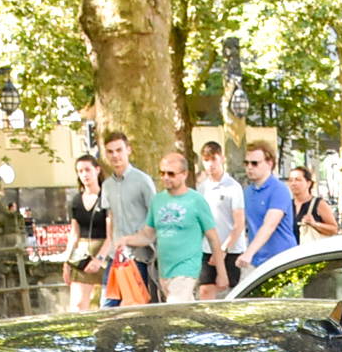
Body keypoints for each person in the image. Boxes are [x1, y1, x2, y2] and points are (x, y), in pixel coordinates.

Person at [145, 149, 217, 303]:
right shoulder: (157, 200)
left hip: (186, 270)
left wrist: (221, 272)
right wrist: (124, 240)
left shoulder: (196, 200)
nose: (165, 177)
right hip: (164, 271)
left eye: (171, 174)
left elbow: (212, 236)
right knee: (184, 315)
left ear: (185, 174)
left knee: (174, 310)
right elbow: (148, 234)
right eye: (162, 173)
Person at [96, 129, 159, 302]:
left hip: (138, 256)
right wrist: (110, 244)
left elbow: (155, 216)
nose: (115, 155)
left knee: (138, 308)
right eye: (110, 151)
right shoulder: (107, 185)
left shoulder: (143, 181)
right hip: (115, 257)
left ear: (128, 150)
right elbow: (110, 217)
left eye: (119, 150)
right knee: (108, 308)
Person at [195, 138, 245, 299]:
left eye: (214, 159)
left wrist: (223, 249)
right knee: (205, 292)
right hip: (207, 249)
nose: (210, 164)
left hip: (231, 250)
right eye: (206, 160)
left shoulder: (233, 187)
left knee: (231, 295)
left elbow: (238, 224)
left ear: (222, 159)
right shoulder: (202, 188)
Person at [239, 142, 297, 274]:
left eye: (254, 163)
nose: (249, 167)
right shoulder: (247, 192)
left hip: (282, 261)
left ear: (269, 164)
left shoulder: (279, 189)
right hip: (256, 261)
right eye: (246, 163)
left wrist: (248, 253)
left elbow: (270, 225)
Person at [64, 153, 109, 311]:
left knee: (105, 305)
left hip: (104, 251)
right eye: (80, 171)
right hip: (81, 253)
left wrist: (99, 258)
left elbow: (112, 234)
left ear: (97, 170)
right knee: (77, 306)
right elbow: (74, 233)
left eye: (88, 170)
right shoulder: (76, 200)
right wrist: (67, 261)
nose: (84, 174)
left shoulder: (107, 197)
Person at [289, 165, 338, 238]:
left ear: (308, 183)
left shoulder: (318, 204)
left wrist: (315, 224)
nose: (293, 184)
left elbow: (334, 229)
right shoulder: (288, 205)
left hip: (312, 247)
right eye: (291, 180)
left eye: (298, 180)